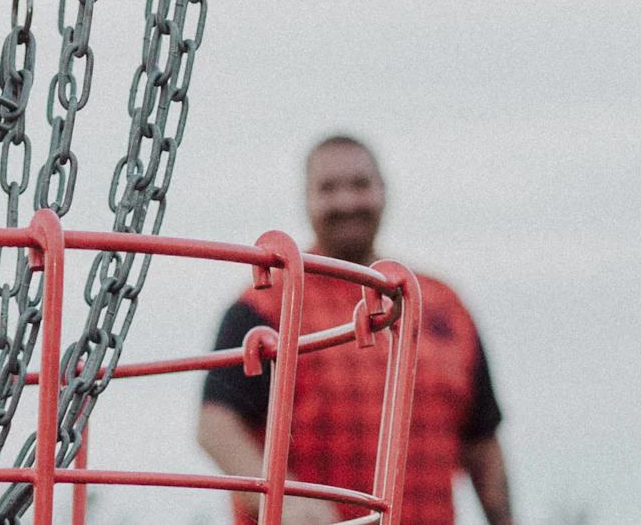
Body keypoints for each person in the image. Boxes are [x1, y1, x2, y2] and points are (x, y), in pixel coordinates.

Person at [197, 135, 514, 525]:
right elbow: (215, 426)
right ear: (307, 198)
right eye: (329, 188)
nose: (346, 202)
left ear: (383, 191)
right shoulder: (265, 303)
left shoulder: (444, 305)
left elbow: (482, 442)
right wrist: (286, 502)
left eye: (360, 185)